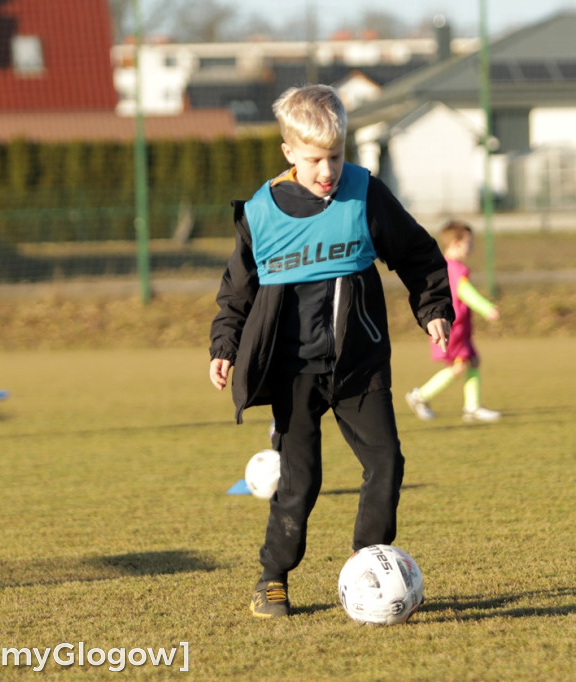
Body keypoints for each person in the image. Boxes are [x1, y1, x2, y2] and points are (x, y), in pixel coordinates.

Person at [208, 84, 454, 619]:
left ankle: (370, 565)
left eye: (337, 157)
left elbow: (418, 253)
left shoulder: (364, 194)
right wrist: (224, 344)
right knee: (299, 482)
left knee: (385, 462)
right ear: (289, 152)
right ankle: (272, 578)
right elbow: (237, 291)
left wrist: (434, 307)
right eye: (316, 159)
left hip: (359, 365)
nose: (328, 171)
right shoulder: (261, 213)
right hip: (292, 371)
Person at [406, 220, 502, 423]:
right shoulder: (454, 268)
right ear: (456, 243)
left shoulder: (444, 265)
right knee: (460, 366)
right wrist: (486, 308)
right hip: (454, 328)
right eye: (469, 242)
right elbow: (465, 292)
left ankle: (472, 407)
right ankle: (420, 396)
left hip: (460, 328)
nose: (472, 247)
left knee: (472, 362)